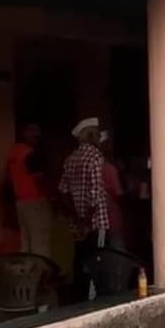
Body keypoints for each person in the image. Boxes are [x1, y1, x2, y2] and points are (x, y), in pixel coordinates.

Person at [58, 117, 110, 299]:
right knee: (97, 258)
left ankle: (78, 297)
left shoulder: (70, 159)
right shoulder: (96, 158)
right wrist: (86, 220)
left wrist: (77, 216)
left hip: (77, 222)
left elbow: (63, 191)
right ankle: (92, 300)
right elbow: (96, 194)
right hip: (96, 221)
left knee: (79, 259)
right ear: (92, 136)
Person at [6, 122, 52, 258]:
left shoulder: (14, 153)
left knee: (26, 243)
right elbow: (39, 180)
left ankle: (27, 277)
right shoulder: (31, 154)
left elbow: (9, 179)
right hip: (36, 202)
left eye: (37, 131)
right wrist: (50, 197)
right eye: (32, 131)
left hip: (21, 202)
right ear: (23, 132)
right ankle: (42, 277)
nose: (36, 135)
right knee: (40, 244)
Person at [98, 129, 126, 243]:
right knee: (114, 249)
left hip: (95, 221)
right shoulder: (110, 170)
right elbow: (119, 195)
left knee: (99, 249)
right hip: (111, 219)